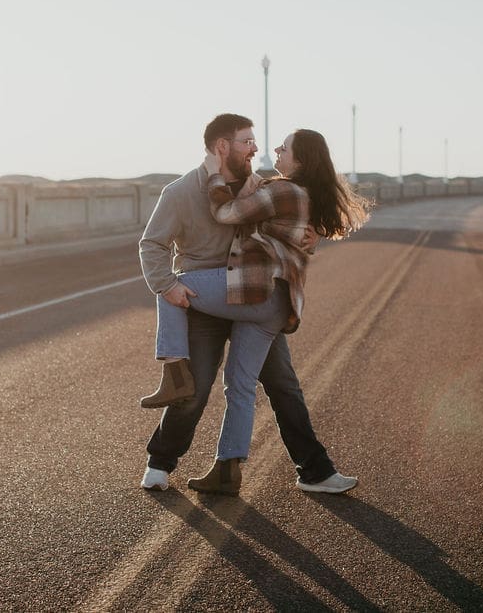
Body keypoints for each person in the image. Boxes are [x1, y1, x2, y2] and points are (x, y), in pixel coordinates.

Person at [138, 113, 363, 495]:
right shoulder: (179, 193)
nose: (256, 149)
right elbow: (152, 246)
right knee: (196, 387)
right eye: (247, 142)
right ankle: (160, 462)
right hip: (208, 300)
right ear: (222, 147)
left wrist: (307, 237)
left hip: (253, 292)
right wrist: (166, 286)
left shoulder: (263, 186)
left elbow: (279, 222)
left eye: (257, 143)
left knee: (283, 386)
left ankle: (314, 470)